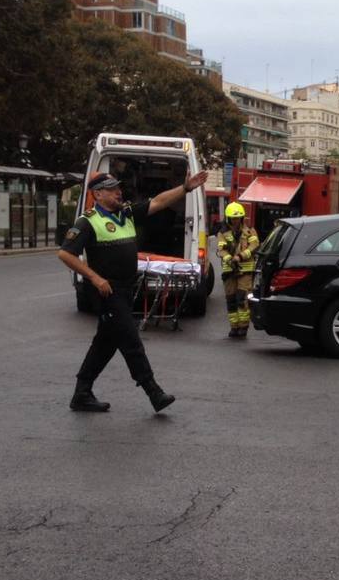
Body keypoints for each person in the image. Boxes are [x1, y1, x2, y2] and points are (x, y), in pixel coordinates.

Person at [58, 169, 209, 413]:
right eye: (112, 189)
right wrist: (95, 279)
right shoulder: (87, 222)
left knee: (105, 344)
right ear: (97, 194)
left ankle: (81, 393)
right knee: (131, 340)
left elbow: (158, 202)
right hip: (108, 291)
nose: (119, 192)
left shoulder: (125, 214)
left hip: (126, 289)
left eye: (119, 188)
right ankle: (153, 392)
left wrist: (185, 188)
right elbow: (65, 253)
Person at [218, 202, 259, 339]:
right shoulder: (223, 233)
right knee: (231, 300)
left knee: (242, 299)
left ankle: (243, 327)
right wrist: (230, 259)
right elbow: (221, 250)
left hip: (245, 271)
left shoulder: (249, 231)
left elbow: (254, 245)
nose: (236, 221)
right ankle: (234, 327)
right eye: (233, 218)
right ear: (228, 218)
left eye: (238, 218)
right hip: (229, 271)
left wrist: (241, 256)